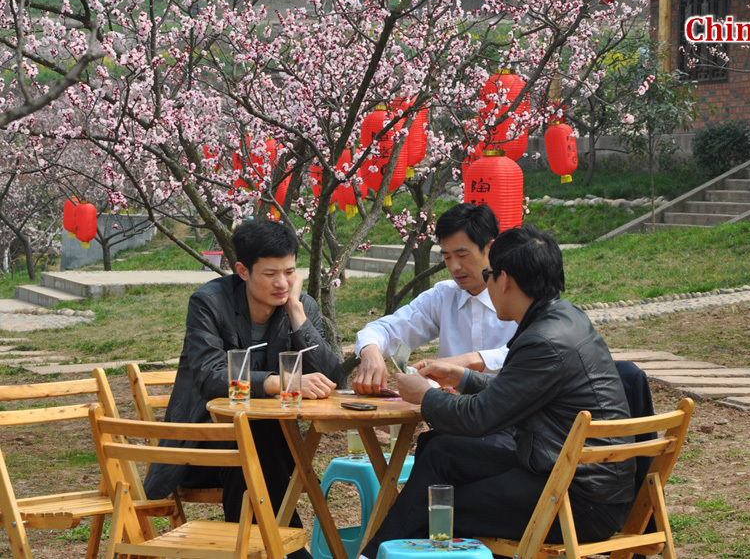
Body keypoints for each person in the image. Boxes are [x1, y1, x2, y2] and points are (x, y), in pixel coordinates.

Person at [358, 225, 635, 558]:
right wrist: (463, 378)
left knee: (436, 509)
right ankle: (373, 554)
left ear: (504, 280)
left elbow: (479, 417)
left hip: (578, 503)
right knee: (440, 451)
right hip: (571, 476)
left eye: (488, 275)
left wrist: (425, 395)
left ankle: (374, 554)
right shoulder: (565, 317)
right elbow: (519, 391)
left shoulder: (543, 340)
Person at [143, 219, 341, 559]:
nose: (282, 283)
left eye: (290, 272)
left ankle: (268, 551)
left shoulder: (300, 306)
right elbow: (210, 376)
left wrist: (295, 311)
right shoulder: (209, 302)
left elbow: (331, 375)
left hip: (268, 450)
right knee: (250, 440)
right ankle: (290, 553)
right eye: (270, 274)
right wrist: (281, 382)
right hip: (200, 447)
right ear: (242, 270)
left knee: (254, 446)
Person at [353, 203, 517, 394]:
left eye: (462, 255)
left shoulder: (517, 294)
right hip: (451, 414)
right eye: (447, 257)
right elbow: (388, 329)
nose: (454, 267)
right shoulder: (443, 296)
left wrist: (463, 362)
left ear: (490, 248)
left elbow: (533, 352)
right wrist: (371, 351)